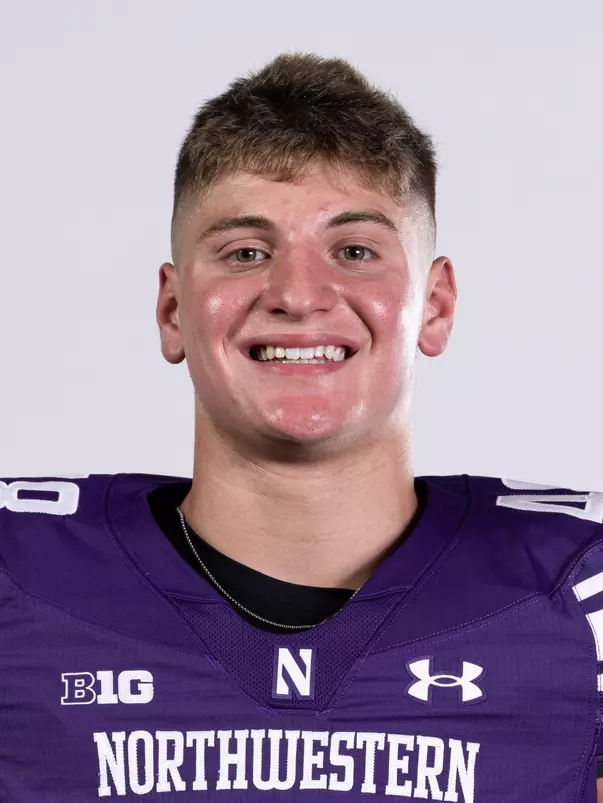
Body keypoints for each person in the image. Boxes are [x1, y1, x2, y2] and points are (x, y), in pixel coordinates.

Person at [0, 51, 601, 802]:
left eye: (353, 250)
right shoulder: (18, 575)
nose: (296, 293)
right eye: (246, 252)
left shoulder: (577, 589)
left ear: (435, 305)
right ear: (172, 308)